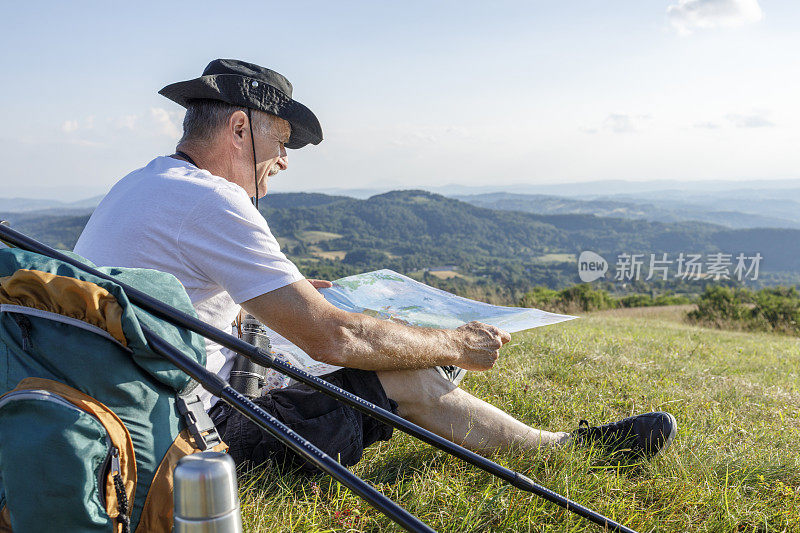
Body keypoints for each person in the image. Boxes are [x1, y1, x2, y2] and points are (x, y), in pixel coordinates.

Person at [74, 59, 677, 470]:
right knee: (408, 365)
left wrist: (276, 293)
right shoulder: (212, 200)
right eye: (281, 143)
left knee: (397, 348)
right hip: (194, 437)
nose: (282, 162)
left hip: (133, 407)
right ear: (239, 128)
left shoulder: (149, 182)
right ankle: (558, 451)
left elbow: (179, 293)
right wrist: (455, 343)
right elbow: (333, 336)